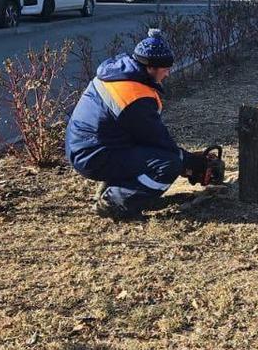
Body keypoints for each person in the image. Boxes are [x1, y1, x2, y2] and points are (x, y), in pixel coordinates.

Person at [65, 28, 224, 220]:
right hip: (93, 155)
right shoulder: (133, 97)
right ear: (150, 68)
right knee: (168, 164)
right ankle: (114, 203)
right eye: (165, 69)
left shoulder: (119, 73)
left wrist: (188, 159)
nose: (168, 74)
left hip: (86, 146)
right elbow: (157, 141)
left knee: (148, 152)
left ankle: (113, 189)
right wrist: (191, 163)